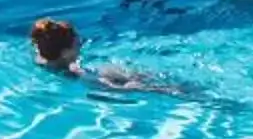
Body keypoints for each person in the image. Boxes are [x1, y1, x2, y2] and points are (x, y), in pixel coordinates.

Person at [30, 17, 185, 92]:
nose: (80, 46)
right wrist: (163, 90)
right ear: (65, 52)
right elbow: (117, 89)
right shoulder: (78, 75)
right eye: (77, 44)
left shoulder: (40, 58)